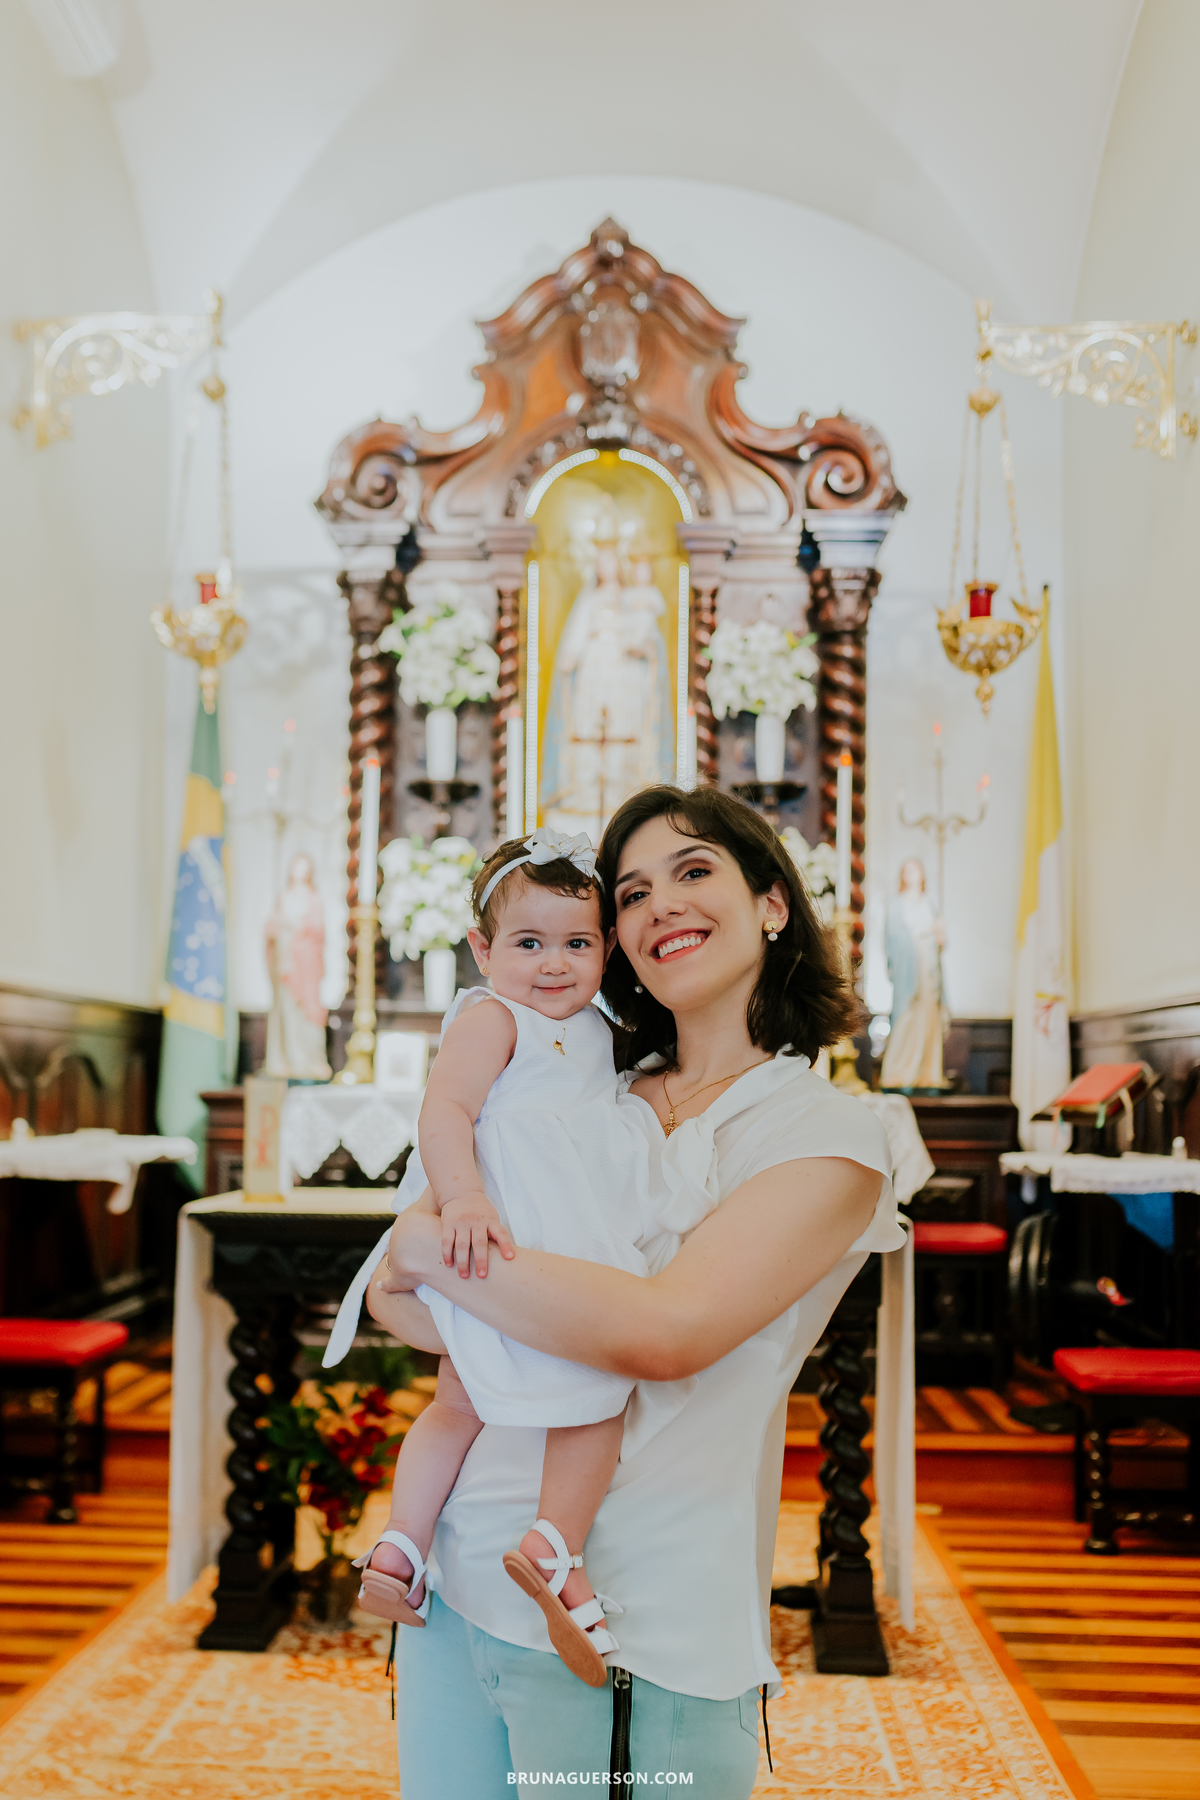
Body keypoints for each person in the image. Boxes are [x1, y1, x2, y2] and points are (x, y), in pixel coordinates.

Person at [370, 786, 903, 1799]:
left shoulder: (827, 1135)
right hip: (463, 1575)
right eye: (632, 891)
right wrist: (426, 1263)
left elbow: (666, 1335)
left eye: (694, 872)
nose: (661, 905)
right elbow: (402, 1306)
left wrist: (436, 1252)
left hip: (641, 1620)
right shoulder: (572, 1086)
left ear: (773, 903)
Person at [324, 826, 713, 1685]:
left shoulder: (599, 1029)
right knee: (552, 1400)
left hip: (566, 1237)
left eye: (576, 944)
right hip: (499, 1235)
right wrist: (461, 1196)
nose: (552, 964)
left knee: (497, 1400)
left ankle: (409, 1552)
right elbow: (444, 1113)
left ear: (608, 949)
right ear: (481, 949)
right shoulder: (490, 1019)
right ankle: (528, 1546)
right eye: (527, 943)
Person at [880, 855, 947, 1090]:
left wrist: (938, 936)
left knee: (928, 1018)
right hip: (909, 973)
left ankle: (926, 1073)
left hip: (929, 970)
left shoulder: (929, 904)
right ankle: (899, 1073)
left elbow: (939, 941)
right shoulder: (897, 905)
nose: (912, 874)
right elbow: (892, 940)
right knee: (906, 1018)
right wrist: (922, 933)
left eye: (916, 870)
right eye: (907, 870)